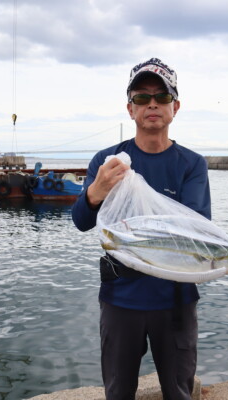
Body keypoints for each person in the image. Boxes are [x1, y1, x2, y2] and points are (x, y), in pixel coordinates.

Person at [71, 57, 211, 400]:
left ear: (175, 107)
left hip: (176, 301)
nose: (152, 104)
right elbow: (81, 221)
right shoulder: (108, 162)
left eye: (162, 97)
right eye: (141, 97)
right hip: (121, 299)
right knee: (118, 392)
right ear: (129, 108)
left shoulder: (192, 164)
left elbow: (196, 229)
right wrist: (96, 191)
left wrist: (129, 220)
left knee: (179, 392)